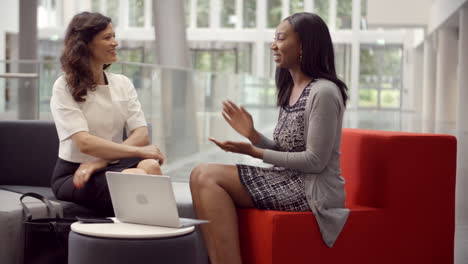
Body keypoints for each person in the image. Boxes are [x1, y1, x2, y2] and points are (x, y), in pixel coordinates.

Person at [190, 12, 350, 263]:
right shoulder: (291, 88)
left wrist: (254, 151)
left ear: (303, 46)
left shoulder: (324, 92)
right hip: (287, 178)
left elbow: (315, 161)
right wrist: (253, 136)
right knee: (200, 174)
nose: (273, 44)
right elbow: (287, 149)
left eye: (280, 38)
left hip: (311, 190)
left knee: (207, 175)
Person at [50, 12, 164, 216]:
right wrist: (139, 152)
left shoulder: (123, 83)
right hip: (75, 173)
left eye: (114, 36)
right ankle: (141, 236)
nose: (115, 43)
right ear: (85, 45)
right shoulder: (63, 86)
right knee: (137, 174)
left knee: (151, 166)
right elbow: (84, 142)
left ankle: (152, 237)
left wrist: (100, 162)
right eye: (107, 37)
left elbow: (141, 134)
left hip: (108, 164)